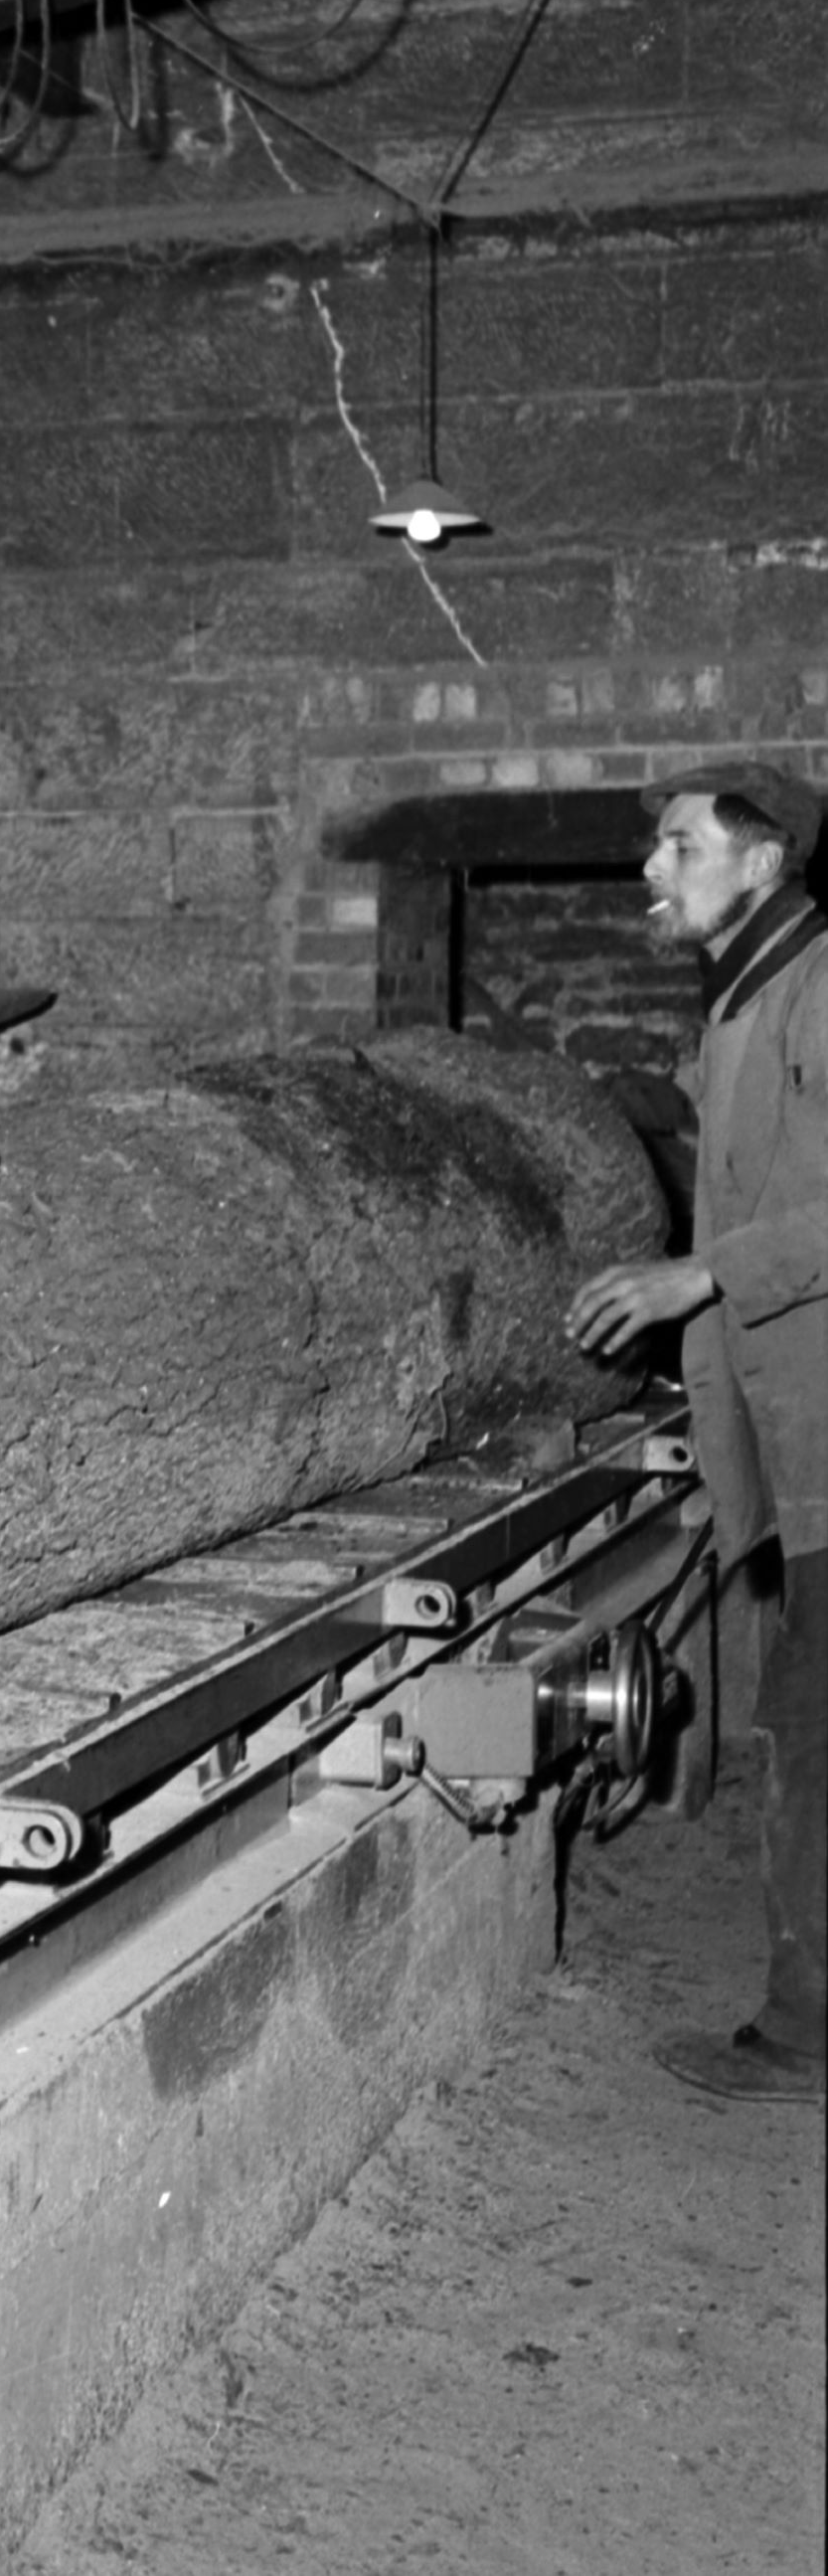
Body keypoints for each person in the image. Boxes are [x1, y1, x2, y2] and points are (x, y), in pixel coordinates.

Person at [567, 758, 825, 2103]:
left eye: (677, 847)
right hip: (794, 1430)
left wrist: (704, 1275)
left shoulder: (822, 987)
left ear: (762, 859)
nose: (652, 871)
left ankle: (801, 2038)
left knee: (815, 1741)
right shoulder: (748, 995)